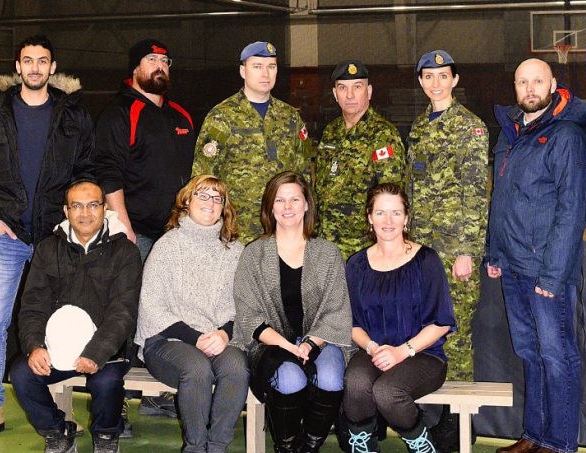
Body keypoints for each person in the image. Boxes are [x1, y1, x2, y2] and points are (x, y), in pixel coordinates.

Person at [0, 34, 94, 442]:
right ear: (17, 67)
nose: (35, 67)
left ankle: (55, 405)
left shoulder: (72, 115)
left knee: (63, 321)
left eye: (43, 61)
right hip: (5, 236)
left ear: (53, 68)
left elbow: (86, 171)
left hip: (56, 237)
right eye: (28, 60)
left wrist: (74, 223)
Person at [485, 58, 586, 453]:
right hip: (513, 266)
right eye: (523, 81)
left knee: (557, 354)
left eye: (537, 81)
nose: (530, 88)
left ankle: (560, 442)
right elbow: (503, 199)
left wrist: (553, 274)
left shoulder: (565, 135)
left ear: (553, 84)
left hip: (547, 271)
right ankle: (535, 433)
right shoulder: (511, 132)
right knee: (530, 352)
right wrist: (495, 252)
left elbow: (571, 210)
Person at [9, 179, 142, 453]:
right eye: (77, 206)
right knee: (21, 374)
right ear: (66, 211)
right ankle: (59, 436)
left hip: (106, 350)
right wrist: (33, 346)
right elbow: (32, 306)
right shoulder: (48, 249)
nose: (85, 213)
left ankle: (107, 439)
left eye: (93, 204)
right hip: (57, 350)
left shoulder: (125, 252)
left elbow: (123, 311)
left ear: (104, 208)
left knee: (107, 383)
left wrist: (96, 352)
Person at [229, 172, 351, 453]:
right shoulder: (254, 254)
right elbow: (248, 314)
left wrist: (310, 343)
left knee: (330, 379)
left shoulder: (327, 253)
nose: (287, 206)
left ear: (307, 205)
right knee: (291, 379)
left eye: (295, 198)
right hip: (271, 343)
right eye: (279, 200)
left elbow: (336, 311)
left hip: (320, 339)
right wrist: (288, 345)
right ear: (269, 208)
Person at [95, 38, 196, 423]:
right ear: (135, 68)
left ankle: (159, 393)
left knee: (169, 315)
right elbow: (108, 170)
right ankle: (116, 400)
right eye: (152, 60)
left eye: (165, 61)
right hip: (135, 235)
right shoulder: (120, 112)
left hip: (175, 237)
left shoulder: (181, 116)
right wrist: (123, 226)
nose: (160, 67)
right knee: (125, 315)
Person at [135, 176, 247, 453]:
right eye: (203, 195)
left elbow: (246, 306)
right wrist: (195, 338)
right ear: (187, 200)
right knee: (197, 369)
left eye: (218, 198)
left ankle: (217, 451)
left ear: (225, 207)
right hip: (168, 340)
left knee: (237, 367)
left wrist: (225, 334)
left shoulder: (235, 250)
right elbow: (152, 307)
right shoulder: (167, 246)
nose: (211, 203)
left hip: (220, 337)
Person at [344, 183, 456, 453]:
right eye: (380, 212)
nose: (388, 220)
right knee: (354, 383)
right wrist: (371, 347)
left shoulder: (426, 261)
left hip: (423, 354)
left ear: (406, 218)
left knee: (388, 391)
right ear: (369, 218)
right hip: (374, 351)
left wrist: (402, 352)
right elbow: (351, 323)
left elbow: (442, 322)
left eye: (396, 212)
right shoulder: (356, 265)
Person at [406, 50, 489, 383]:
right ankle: (429, 412)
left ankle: (457, 428)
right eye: (428, 76)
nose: (435, 83)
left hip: (454, 251)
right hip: (421, 250)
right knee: (423, 332)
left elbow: (476, 193)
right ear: (421, 82)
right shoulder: (419, 126)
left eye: (443, 76)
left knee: (455, 334)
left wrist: (467, 251)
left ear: (455, 79)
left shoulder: (470, 127)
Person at [192, 41, 312, 242]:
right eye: (257, 66)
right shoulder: (222, 117)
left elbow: (303, 174)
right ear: (243, 71)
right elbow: (203, 177)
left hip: (282, 229)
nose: (265, 74)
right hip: (237, 233)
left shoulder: (290, 117)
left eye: (271, 67)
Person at [315, 59, 405, 257]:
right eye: (342, 88)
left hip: (363, 247)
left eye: (357, 87)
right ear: (334, 94)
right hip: (326, 243)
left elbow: (391, 196)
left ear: (369, 91)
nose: (350, 95)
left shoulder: (383, 135)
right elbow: (320, 187)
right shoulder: (331, 131)